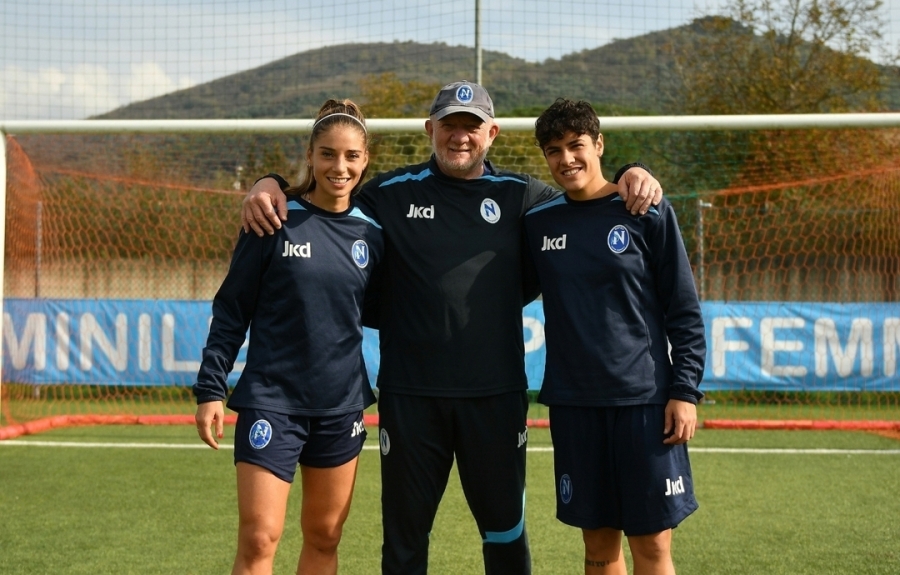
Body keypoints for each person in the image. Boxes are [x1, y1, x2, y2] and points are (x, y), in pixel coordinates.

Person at [241, 81, 663, 575]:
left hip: (496, 398)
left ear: (493, 133)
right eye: (449, 125)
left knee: (505, 537)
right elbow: (327, 196)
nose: (460, 136)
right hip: (411, 398)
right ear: (430, 130)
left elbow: (587, 197)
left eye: (471, 126)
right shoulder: (388, 195)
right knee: (404, 541)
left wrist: (631, 173)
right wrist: (269, 182)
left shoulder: (524, 197)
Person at [193, 99, 383, 575]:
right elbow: (233, 308)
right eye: (327, 154)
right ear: (310, 155)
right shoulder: (272, 218)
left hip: (341, 406)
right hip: (271, 400)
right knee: (259, 539)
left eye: (351, 156)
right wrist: (211, 388)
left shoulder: (375, 232)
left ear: (365, 160)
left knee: (324, 537)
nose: (339, 167)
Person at [522, 98, 705, 575]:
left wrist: (684, 391)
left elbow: (683, 310)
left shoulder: (646, 211)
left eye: (576, 145)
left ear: (599, 144)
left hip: (643, 403)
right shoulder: (538, 223)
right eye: (554, 150)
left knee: (652, 548)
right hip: (575, 405)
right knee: (599, 550)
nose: (567, 159)